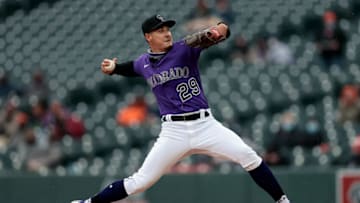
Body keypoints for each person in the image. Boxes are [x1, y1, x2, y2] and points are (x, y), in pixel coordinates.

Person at [71, 14, 290, 203]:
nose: (167, 33)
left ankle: (282, 200)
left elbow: (222, 30)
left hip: (205, 125)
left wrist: (217, 31)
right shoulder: (143, 62)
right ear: (148, 37)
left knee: (248, 155)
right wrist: (115, 68)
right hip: (173, 132)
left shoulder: (185, 48)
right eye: (160, 30)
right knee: (140, 182)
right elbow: (132, 68)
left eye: (168, 29)